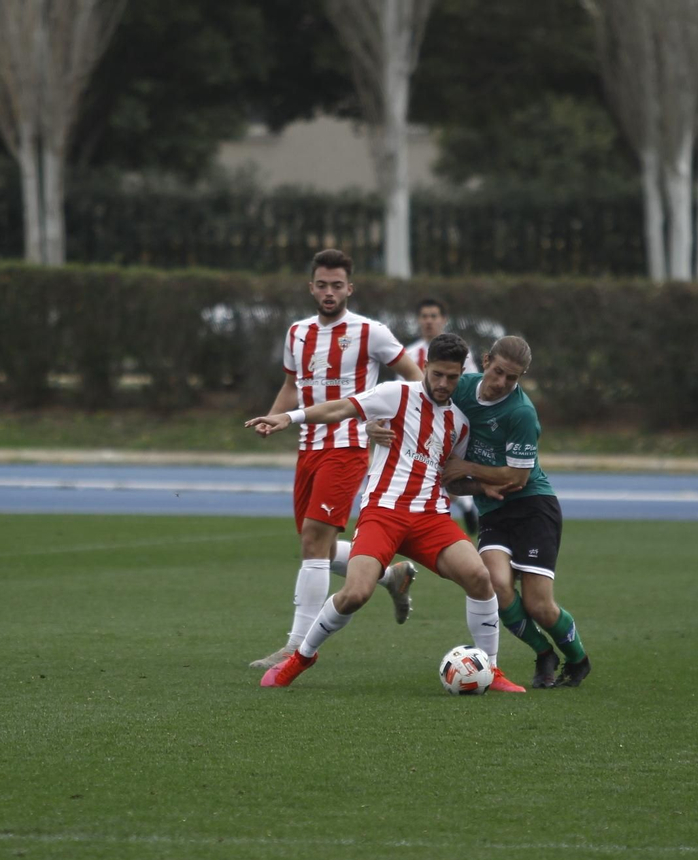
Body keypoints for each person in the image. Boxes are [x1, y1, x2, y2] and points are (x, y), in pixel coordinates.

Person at [246, 334, 526, 693]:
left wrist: (480, 486)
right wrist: (289, 416)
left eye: (452, 377)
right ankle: (302, 657)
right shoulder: (395, 395)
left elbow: (450, 478)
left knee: (480, 578)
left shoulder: (460, 422)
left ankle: (492, 669)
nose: (443, 383)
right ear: (425, 366)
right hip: (383, 512)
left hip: (431, 518)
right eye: (437, 374)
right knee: (355, 593)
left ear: (461, 374)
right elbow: (339, 409)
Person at [371, 336, 590, 689]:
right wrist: (375, 425)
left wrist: (467, 467)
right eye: (498, 371)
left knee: (539, 604)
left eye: (512, 378)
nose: (501, 382)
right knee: (496, 586)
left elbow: (518, 477)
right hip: (492, 508)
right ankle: (543, 653)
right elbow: (413, 403)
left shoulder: (520, 413)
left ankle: (578, 660)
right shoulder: (459, 387)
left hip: (532, 506)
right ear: (486, 361)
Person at [248, 249, 423, 670]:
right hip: (308, 447)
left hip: (348, 447)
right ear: (312, 288)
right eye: (323, 285)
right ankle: (390, 577)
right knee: (319, 550)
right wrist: (276, 417)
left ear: (350, 288)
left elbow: (415, 378)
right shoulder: (297, 333)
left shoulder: (371, 332)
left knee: (313, 540)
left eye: (337, 286)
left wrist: (388, 420)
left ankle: (295, 648)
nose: (329, 292)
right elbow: (292, 385)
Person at [402, 296, 479, 535]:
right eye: (424, 316)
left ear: (443, 320)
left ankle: (454, 511)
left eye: (433, 316)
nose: (428, 321)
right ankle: (461, 507)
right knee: (426, 471)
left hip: (447, 423)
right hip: (417, 424)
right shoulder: (408, 354)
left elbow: (470, 387)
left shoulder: (461, 354)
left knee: (438, 471)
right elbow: (402, 391)